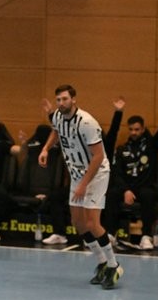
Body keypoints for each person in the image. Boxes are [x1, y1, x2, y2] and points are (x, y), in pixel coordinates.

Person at [39, 84, 122, 289]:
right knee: (78, 223)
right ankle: (102, 263)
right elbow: (56, 131)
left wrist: (84, 184)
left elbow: (99, 156)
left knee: (92, 222)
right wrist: (46, 148)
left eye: (65, 99)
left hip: (96, 174)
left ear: (74, 99)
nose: (61, 103)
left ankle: (114, 265)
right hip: (77, 174)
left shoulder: (86, 122)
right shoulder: (58, 116)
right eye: (58, 100)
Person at [102, 95, 158, 250]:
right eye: (131, 129)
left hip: (144, 187)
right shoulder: (122, 150)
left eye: (137, 129)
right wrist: (126, 190)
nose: (134, 132)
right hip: (127, 187)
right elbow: (117, 173)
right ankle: (110, 234)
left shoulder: (151, 147)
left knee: (148, 195)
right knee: (111, 194)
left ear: (143, 129)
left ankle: (146, 236)